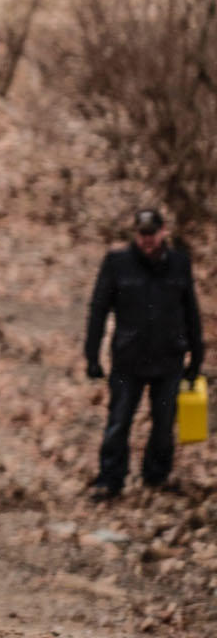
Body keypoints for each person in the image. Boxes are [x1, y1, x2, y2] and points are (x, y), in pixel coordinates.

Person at [84, 208, 203, 499]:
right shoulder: (117, 263)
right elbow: (98, 309)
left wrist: (197, 355)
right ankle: (110, 480)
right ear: (135, 234)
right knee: (118, 422)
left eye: (152, 233)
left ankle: (156, 476)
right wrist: (92, 355)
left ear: (163, 232)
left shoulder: (179, 263)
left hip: (169, 358)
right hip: (129, 359)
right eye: (142, 234)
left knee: (164, 426)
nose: (147, 239)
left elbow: (191, 310)